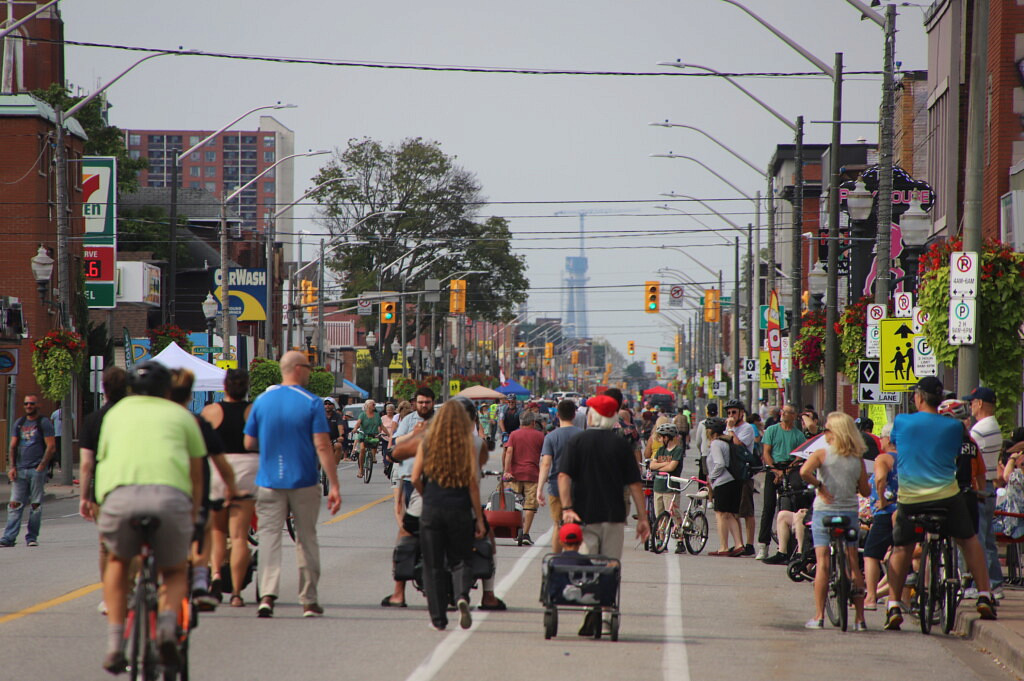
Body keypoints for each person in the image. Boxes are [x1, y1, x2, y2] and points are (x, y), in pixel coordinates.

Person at [93, 361, 204, 673]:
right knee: (173, 570)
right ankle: (167, 627)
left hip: (120, 497)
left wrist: (102, 504)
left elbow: (102, 462)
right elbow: (197, 475)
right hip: (170, 498)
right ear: (167, 390)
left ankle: (116, 644)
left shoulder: (115, 414)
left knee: (118, 561)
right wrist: (193, 517)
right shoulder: (181, 415)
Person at [884, 376, 996, 631]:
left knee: (902, 547)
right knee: (968, 540)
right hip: (946, 496)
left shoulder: (902, 421)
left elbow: (897, 445)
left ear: (919, 397)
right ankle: (984, 594)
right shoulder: (954, 428)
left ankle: (892, 603)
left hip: (911, 497)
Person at [243, 351, 341, 619]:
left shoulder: (262, 401)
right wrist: (334, 484)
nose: (310, 371)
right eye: (308, 367)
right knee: (306, 538)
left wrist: (272, 449)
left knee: (269, 538)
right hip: (304, 480)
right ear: (297, 369)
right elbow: (322, 444)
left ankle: (267, 595)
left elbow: (249, 443)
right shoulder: (311, 402)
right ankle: (308, 599)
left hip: (269, 480)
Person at [559, 394, 648, 637]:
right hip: (614, 517)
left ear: (592, 416)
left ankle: (590, 611)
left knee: (588, 566)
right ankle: (607, 617)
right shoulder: (620, 445)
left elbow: (563, 476)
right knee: (610, 566)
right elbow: (634, 484)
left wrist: (567, 508)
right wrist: (643, 518)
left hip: (584, 517)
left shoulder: (577, 442)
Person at [411, 401, 486, 631]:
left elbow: (415, 478)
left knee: (432, 565)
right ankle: (461, 595)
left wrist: (428, 496)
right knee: (461, 559)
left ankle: (438, 618)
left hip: (432, 509)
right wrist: (480, 519)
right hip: (460, 510)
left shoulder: (428, 441)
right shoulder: (468, 445)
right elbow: (473, 484)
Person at [170, 368, 237, 611]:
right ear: (189, 396)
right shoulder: (195, 422)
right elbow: (219, 463)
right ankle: (200, 580)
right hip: (187, 495)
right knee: (204, 529)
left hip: (143, 492)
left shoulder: (141, 421)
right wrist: (232, 489)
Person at [799, 412, 870, 631]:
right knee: (853, 563)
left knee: (823, 563)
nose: (824, 433)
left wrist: (820, 486)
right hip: (848, 512)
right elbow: (866, 492)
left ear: (835, 432)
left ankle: (819, 616)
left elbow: (804, 472)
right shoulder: (857, 458)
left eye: (827, 429)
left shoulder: (821, 454)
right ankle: (859, 619)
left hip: (824, 512)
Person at [200, 369, 256, 608]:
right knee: (240, 536)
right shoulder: (254, 411)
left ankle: (214, 578)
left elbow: (199, 446)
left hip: (217, 469)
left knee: (217, 532)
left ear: (225, 387)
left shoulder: (211, 412)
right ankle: (236, 592)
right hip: (248, 469)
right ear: (246, 388)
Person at [78, 366, 128, 616]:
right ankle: (132, 587)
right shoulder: (133, 418)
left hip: (104, 490)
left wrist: (84, 497)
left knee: (105, 546)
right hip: (134, 486)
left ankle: (109, 596)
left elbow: (86, 464)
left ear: (104, 388)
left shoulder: (94, 419)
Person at [382, 387, 436, 608]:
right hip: (409, 476)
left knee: (408, 532)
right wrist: (413, 434)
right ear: (415, 403)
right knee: (406, 531)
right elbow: (396, 441)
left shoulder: (441, 420)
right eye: (420, 402)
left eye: (427, 402)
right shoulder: (408, 419)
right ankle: (399, 592)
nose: (424, 406)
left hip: (430, 481)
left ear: (433, 402)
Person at [964, 386, 1005, 598]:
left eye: (972, 402)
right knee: (987, 538)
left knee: (977, 537)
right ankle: (995, 583)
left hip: (979, 486)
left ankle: (983, 584)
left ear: (979, 403)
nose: (970, 406)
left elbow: (967, 453)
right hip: (988, 485)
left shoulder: (980, 430)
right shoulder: (992, 426)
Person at [1, 393, 56, 547]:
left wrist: (41, 467)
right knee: (14, 504)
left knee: (35, 505)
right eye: (26, 404)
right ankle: (8, 538)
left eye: (31, 403)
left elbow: (51, 446)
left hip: (36, 469)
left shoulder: (43, 423)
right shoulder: (19, 423)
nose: (28, 406)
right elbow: (12, 446)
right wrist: (11, 467)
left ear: (37, 405)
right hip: (20, 470)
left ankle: (31, 537)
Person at [757, 404, 807, 562]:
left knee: (797, 491)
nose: (783, 414)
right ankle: (763, 545)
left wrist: (787, 470)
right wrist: (775, 471)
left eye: (787, 412)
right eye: (783, 412)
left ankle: (795, 542)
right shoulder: (772, 430)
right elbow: (766, 452)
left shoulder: (798, 435)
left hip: (791, 468)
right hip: (774, 467)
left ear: (794, 416)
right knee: (768, 505)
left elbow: (800, 456)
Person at [536, 400, 582, 553]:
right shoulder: (582, 435)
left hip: (556, 487)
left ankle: (556, 560)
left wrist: (539, 488)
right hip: (579, 487)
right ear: (574, 415)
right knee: (577, 524)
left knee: (558, 524)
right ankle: (575, 557)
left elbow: (546, 464)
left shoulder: (551, 437)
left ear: (558, 415)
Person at [863, 421, 898, 609]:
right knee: (898, 554)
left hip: (886, 512)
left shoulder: (883, 459)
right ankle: (896, 599)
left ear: (887, 439)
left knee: (871, 554)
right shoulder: (908, 458)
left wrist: (883, 501)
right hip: (906, 510)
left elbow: (880, 478)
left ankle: (870, 597)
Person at [502, 410, 544, 545]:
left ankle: (515, 532)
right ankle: (525, 534)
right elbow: (544, 457)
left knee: (515, 504)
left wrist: (506, 471)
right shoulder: (540, 436)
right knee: (530, 505)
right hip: (532, 474)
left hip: (514, 475)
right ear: (533, 422)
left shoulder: (514, 434)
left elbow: (509, 452)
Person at [705, 417, 744, 556]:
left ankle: (723, 547)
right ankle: (739, 544)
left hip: (723, 482)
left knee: (721, 514)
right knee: (730, 514)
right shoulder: (727, 441)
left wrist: (711, 476)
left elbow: (720, 463)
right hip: (734, 481)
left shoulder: (716, 443)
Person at [723, 399, 757, 556]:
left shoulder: (747, 428)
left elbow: (738, 444)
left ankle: (750, 544)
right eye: (728, 413)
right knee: (732, 511)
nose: (731, 415)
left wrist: (730, 429)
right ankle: (739, 543)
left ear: (741, 413)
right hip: (730, 473)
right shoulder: (727, 429)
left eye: (734, 412)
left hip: (743, 473)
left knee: (746, 511)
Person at [650, 422, 685, 554]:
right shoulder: (660, 450)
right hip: (658, 487)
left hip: (671, 488)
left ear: (668, 437)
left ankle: (680, 540)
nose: (661, 439)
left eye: (663, 437)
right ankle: (661, 540)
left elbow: (672, 468)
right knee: (660, 516)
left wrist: (661, 465)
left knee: (674, 515)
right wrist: (665, 464)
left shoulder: (677, 450)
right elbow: (652, 466)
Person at [353, 399, 383, 479]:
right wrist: (355, 428)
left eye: (374, 404)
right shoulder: (362, 415)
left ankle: (373, 456)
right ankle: (361, 469)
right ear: (367, 406)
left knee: (375, 441)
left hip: (373, 435)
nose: (374, 406)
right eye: (373, 404)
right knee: (362, 449)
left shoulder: (377, 415)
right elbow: (358, 423)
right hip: (363, 435)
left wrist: (388, 434)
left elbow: (381, 425)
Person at [692, 403, 718, 483]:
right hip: (717, 453)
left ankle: (704, 492)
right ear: (717, 412)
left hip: (705, 453)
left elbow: (698, 442)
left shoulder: (702, 423)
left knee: (704, 476)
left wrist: (702, 451)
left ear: (707, 412)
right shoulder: (721, 423)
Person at [323, 398, 345, 465]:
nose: (327, 405)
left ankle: (334, 467)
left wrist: (341, 436)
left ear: (333, 406)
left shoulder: (337, 416)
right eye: (325, 404)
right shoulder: (319, 415)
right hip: (321, 439)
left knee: (338, 446)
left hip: (333, 439)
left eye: (329, 404)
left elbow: (340, 427)